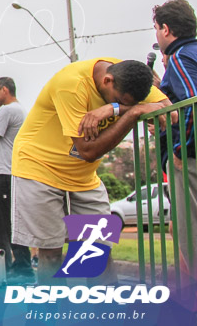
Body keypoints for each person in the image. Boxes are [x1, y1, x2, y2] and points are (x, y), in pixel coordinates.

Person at [11, 58, 168, 281]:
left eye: (132, 104)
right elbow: (87, 150)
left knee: (97, 251)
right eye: (119, 100)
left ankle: (105, 314)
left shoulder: (133, 77)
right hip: (39, 168)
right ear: (107, 80)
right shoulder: (71, 85)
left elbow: (169, 111)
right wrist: (132, 114)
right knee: (51, 254)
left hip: (82, 177)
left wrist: (113, 107)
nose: (127, 106)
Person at [152, 0, 197, 279]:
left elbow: (191, 102)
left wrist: (181, 147)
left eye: (156, 28)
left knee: (189, 232)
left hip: (190, 159)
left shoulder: (180, 56)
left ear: (166, 29)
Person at [0, 77, 33, 280]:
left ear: (5, 89)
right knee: (12, 221)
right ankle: (21, 264)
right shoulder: (19, 109)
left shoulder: (7, 110)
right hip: (14, 171)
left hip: (6, 172)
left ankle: (23, 267)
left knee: (10, 224)